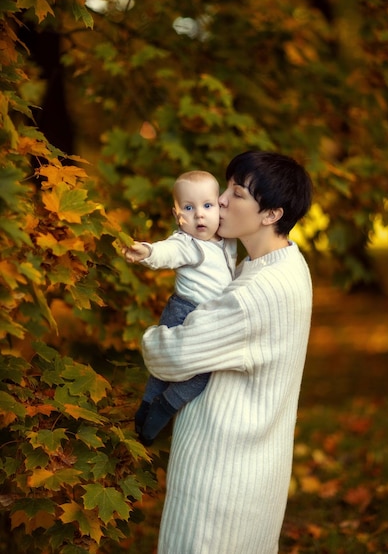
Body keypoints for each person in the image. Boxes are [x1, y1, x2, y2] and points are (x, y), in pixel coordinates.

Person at [141, 150, 313, 554]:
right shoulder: (285, 264)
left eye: (235, 194)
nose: (219, 201)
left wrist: (153, 335)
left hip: (220, 477)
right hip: (252, 466)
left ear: (270, 214)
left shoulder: (255, 294)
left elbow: (168, 355)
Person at [123, 170, 236, 446]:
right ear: (178, 217)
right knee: (190, 369)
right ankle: (159, 406)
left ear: (219, 208)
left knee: (198, 369)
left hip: (206, 316)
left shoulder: (227, 239)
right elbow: (167, 251)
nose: (199, 215)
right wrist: (148, 252)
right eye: (189, 207)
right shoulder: (187, 243)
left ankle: (155, 405)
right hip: (184, 312)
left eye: (207, 205)